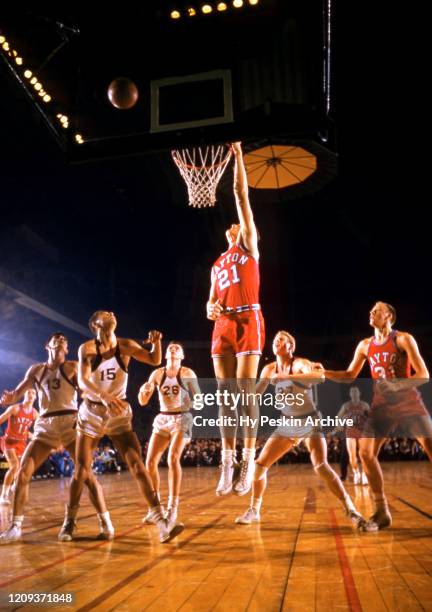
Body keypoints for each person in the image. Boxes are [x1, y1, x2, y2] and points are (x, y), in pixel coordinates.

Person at [61, 310, 183, 543]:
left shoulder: (125, 346)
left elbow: (154, 360)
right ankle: (70, 520)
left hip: (118, 412)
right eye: (105, 314)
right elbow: (84, 381)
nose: (112, 314)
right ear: (95, 323)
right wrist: (103, 395)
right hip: (93, 410)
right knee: (81, 470)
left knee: (137, 464)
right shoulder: (86, 349)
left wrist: (157, 344)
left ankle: (161, 522)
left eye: (112, 313)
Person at [235, 331, 365, 527]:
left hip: (309, 421)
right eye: (275, 339)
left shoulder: (299, 363)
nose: (276, 341)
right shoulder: (269, 370)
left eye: (282, 339)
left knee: (320, 465)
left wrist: (286, 377)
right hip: (287, 423)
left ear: (290, 347)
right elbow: (255, 396)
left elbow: (318, 377)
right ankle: (254, 510)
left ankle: (350, 508)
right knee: (260, 466)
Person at [325, 301, 432, 531]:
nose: (372, 312)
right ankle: (381, 511)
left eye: (377, 310)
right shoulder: (365, 345)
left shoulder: (403, 339)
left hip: (408, 402)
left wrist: (396, 386)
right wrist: (323, 372)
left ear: (389, 316)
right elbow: (349, 374)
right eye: (371, 310)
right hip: (381, 406)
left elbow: (423, 374)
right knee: (365, 453)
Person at [0, 333, 110, 544]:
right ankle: (15, 526)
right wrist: (8, 400)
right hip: (45, 425)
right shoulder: (36, 370)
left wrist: (98, 407)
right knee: (23, 473)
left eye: (64, 340)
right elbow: (15, 395)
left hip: (70, 422)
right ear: (47, 345)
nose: (60, 339)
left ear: (67, 349)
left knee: (86, 475)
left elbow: (88, 390)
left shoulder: (72, 367)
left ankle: (105, 521)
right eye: (56, 338)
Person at [206, 142, 265, 497]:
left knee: (244, 396)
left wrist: (238, 157)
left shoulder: (249, 247)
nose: (234, 225)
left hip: (248, 321)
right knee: (225, 399)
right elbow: (209, 302)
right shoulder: (216, 264)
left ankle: (247, 461)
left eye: (239, 225)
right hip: (223, 325)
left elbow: (241, 196)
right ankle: (227, 463)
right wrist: (209, 309)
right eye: (231, 226)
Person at [138, 341, 200, 524]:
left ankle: (173, 508)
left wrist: (194, 399)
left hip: (182, 418)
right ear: (165, 355)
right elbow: (142, 401)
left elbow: (199, 401)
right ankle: (155, 507)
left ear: (182, 356)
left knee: (173, 458)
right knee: (150, 462)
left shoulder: (187, 373)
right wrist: (143, 392)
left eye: (177, 348)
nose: (173, 349)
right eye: (170, 348)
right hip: (163, 418)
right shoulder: (157, 374)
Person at [0, 389, 38, 505]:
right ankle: (3, 495)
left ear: (35, 397)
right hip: (9, 441)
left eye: (33, 393)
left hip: (21, 443)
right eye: (28, 393)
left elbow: (39, 430)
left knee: (22, 469)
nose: (31, 395)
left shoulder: (35, 413)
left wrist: (32, 435)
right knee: (14, 466)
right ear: (24, 395)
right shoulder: (15, 408)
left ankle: (14, 485)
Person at [336, 387, 370, 484]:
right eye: (352, 392)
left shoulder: (364, 405)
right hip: (350, 431)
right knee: (352, 456)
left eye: (356, 391)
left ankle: (364, 474)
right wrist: (341, 423)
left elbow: (371, 418)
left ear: (359, 393)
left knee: (363, 455)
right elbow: (338, 417)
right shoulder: (346, 406)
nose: (354, 393)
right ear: (350, 394)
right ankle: (356, 473)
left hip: (362, 431)